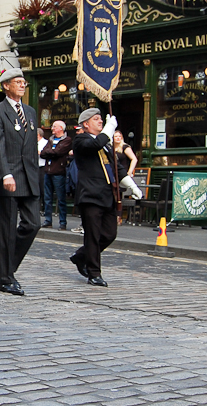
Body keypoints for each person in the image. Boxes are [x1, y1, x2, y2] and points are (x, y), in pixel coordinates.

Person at [70, 109, 142, 287]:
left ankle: (81, 256)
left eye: (102, 120)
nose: (100, 122)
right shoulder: (81, 140)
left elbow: (117, 167)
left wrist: (132, 185)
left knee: (109, 234)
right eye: (96, 119)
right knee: (93, 236)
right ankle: (94, 273)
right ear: (86, 124)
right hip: (90, 195)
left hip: (107, 194)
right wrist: (109, 128)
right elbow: (94, 146)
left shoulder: (106, 144)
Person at [0, 68, 40, 296]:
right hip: (9, 177)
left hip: (29, 177)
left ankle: (6, 266)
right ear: (6, 85)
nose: (22, 85)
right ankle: (6, 279)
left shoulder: (29, 112)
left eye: (23, 82)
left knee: (33, 224)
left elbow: (31, 147)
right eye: (17, 82)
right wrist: (4, 173)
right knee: (7, 230)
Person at [40, 120, 73, 231]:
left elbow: (58, 152)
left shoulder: (67, 140)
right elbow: (43, 153)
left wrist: (51, 151)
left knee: (61, 198)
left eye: (54, 127)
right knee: (47, 198)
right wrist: (51, 151)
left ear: (61, 128)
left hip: (59, 172)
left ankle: (63, 222)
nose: (52, 129)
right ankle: (48, 220)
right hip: (48, 172)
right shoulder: (50, 139)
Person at [37, 128, 47, 214]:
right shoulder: (33, 143)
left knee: (42, 188)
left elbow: (46, 153)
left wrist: (39, 152)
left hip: (42, 166)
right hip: (34, 167)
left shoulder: (45, 143)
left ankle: (44, 208)